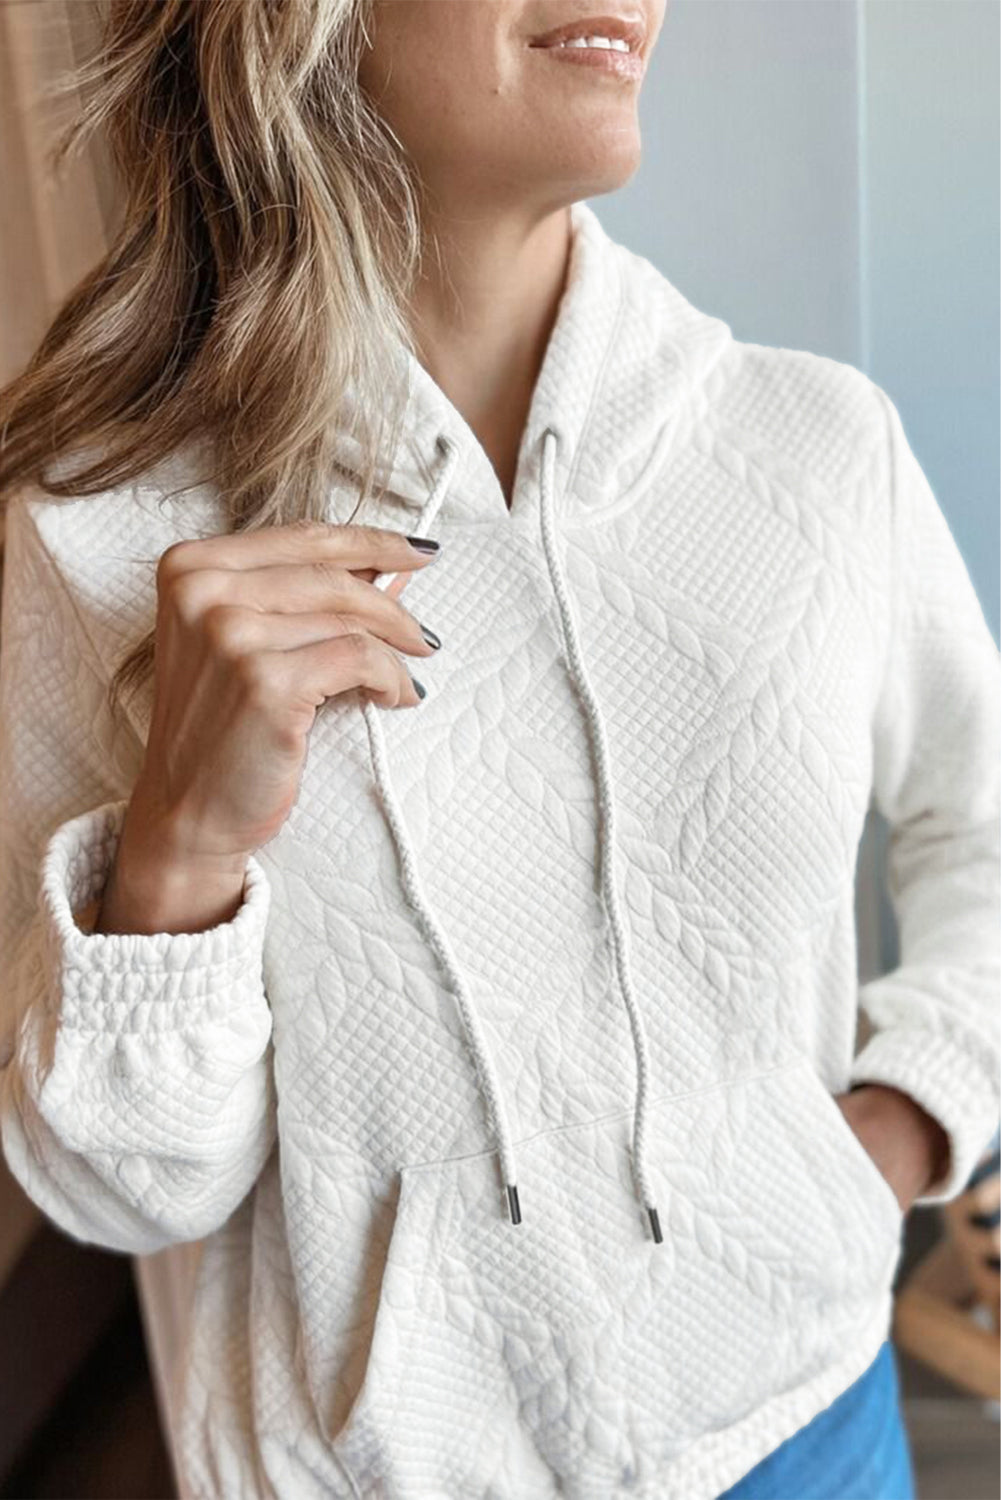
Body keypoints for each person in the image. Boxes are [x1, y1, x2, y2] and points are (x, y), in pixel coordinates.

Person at [0, 2, 997, 1497]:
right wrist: (179, 859)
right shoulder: (99, 527)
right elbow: (131, 1195)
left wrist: (905, 1123)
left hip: (807, 1429)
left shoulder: (814, 447)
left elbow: (982, 821)